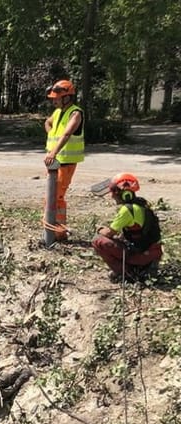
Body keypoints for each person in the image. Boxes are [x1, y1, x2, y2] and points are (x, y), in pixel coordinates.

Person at [91, 172, 163, 281]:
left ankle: (127, 273)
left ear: (125, 194)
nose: (112, 196)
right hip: (151, 251)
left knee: (98, 240)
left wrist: (100, 229)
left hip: (142, 253)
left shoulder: (127, 210)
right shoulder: (142, 204)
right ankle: (140, 268)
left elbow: (108, 233)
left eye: (114, 192)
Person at [43, 79, 85, 241]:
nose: (54, 100)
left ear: (67, 97)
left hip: (65, 162)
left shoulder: (75, 113)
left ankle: (58, 233)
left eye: (56, 98)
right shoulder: (58, 112)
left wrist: (53, 152)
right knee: (52, 196)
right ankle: (53, 231)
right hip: (54, 163)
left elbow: (67, 134)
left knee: (55, 198)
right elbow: (47, 123)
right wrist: (51, 134)